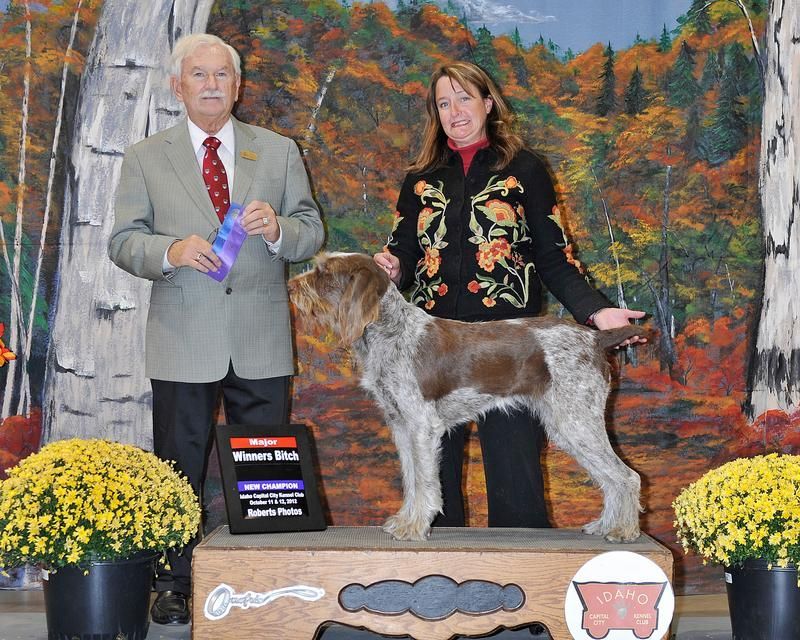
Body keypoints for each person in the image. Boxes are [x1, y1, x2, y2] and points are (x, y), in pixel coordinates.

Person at [374, 61, 645, 534]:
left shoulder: (525, 169)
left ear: (488, 103)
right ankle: (436, 562)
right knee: (432, 466)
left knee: (516, 477)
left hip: (512, 347)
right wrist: (393, 267)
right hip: (434, 346)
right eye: (444, 103)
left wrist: (596, 311)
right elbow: (404, 252)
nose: (455, 111)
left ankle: (526, 569)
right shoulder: (419, 178)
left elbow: (554, 258)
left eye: (464, 98)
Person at [109, 33, 324, 625]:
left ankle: (268, 580)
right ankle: (173, 582)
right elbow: (122, 241)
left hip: (260, 337)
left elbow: (310, 231)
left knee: (268, 472)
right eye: (198, 75)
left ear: (238, 85)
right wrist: (171, 250)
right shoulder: (145, 156)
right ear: (177, 87)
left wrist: (278, 229)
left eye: (221, 75)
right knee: (177, 466)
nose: (211, 84)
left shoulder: (278, 151)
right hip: (183, 340)